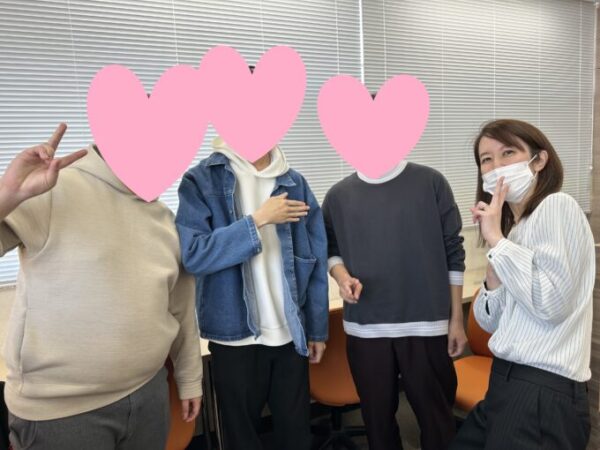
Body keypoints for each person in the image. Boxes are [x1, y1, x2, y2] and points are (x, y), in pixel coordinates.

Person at [0, 124, 203, 450]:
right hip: (62, 411)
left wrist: (189, 378)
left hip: (149, 392)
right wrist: (7, 194)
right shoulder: (52, 186)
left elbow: (180, 306)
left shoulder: (163, 216)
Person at [175, 136, 329, 450]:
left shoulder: (294, 182)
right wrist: (258, 220)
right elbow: (194, 255)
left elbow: (315, 259)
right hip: (234, 338)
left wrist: (316, 329)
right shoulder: (201, 180)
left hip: (290, 336)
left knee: (297, 438)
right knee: (241, 440)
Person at [450, 119, 593, 450]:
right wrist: (495, 258)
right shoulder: (515, 231)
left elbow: (552, 305)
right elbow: (489, 321)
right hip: (505, 382)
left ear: (539, 160)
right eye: (486, 159)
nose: (496, 166)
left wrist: (497, 242)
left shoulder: (556, 206)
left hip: (542, 389)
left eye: (508, 153)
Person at [322, 153, 467, 450]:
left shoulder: (431, 182)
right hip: (366, 328)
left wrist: (456, 320)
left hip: (426, 325)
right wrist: (342, 277)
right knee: (378, 426)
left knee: (437, 421)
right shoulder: (337, 196)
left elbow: (453, 251)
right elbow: (330, 249)